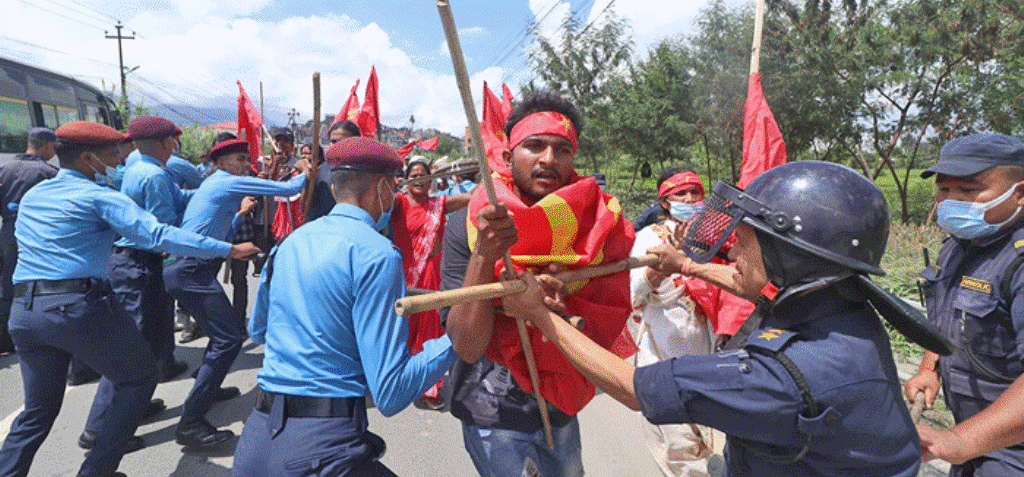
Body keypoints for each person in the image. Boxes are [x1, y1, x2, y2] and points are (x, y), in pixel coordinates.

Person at [505, 161, 954, 476]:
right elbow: (749, 283)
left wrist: (541, 318)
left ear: (789, 255)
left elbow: (633, 388)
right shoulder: (842, 305)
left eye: (745, 239)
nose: (733, 248)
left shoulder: (780, 374)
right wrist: (687, 266)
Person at [0, 121, 258, 477]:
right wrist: (227, 247)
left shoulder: (36, 195)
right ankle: (97, 471)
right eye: (112, 156)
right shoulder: (99, 196)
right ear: (88, 157)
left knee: (38, 412)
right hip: (76, 306)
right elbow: (157, 234)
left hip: (25, 312)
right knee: (138, 377)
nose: (118, 164)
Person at [232, 137, 461, 477]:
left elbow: (259, 330)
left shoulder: (290, 244)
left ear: (336, 189)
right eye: (394, 188)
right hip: (322, 447)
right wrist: (456, 337)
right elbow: (391, 391)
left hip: (256, 441)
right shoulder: (377, 255)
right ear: (384, 187)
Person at [441, 92, 635, 477]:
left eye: (562, 149)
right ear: (509, 155)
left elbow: (606, 319)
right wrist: (484, 256)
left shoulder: (599, 225)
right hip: (492, 408)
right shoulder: (468, 224)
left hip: (560, 403)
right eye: (535, 145)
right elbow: (466, 345)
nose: (549, 159)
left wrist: (562, 302)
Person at [164, 138, 309, 448]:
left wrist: (240, 214)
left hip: (189, 267)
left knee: (222, 336)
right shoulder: (227, 182)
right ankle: (190, 422)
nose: (246, 164)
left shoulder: (219, 184)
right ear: (221, 163)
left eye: (247, 159)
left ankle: (209, 387)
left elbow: (219, 229)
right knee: (229, 338)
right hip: (190, 268)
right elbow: (287, 190)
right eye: (240, 159)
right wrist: (306, 170)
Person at [904, 134, 1024, 476]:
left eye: (969, 191)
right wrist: (930, 366)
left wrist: (960, 440)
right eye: (944, 191)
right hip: (978, 440)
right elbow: (949, 315)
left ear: (1020, 193)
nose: (952, 201)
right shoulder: (959, 244)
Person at [628, 169, 753, 477]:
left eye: (694, 193)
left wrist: (696, 256)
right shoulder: (646, 239)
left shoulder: (716, 239)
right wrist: (656, 273)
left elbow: (736, 287)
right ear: (665, 203)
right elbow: (629, 293)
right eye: (679, 195)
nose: (688, 199)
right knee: (678, 442)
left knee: (716, 436)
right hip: (662, 347)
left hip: (710, 350)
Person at [109, 116, 190, 383]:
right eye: (172, 140)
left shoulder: (136, 167)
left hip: (133, 258)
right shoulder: (155, 175)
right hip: (141, 260)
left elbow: (178, 197)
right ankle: (130, 400)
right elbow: (162, 227)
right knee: (144, 328)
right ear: (165, 143)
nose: (174, 146)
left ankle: (162, 367)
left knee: (157, 319)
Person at [391, 157, 470, 408]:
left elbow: (473, 199)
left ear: (431, 181)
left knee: (430, 330)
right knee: (404, 331)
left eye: (423, 176)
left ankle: (430, 388)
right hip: (404, 276)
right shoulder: (398, 203)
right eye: (414, 175)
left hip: (432, 276)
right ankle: (402, 380)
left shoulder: (438, 204)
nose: (419, 180)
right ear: (406, 180)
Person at [0, 127, 58, 354]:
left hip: (8, 232)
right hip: (39, 233)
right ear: (47, 146)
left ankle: (4, 340)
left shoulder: (4, 169)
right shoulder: (49, 172)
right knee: (41, 283)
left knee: (7, 285)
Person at [633, 166, 690, 232]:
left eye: (694, 192)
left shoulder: (703, 220)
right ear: (664, 200)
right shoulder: (655, 211)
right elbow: (636, 229)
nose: (689, 198)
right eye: (680, 193)